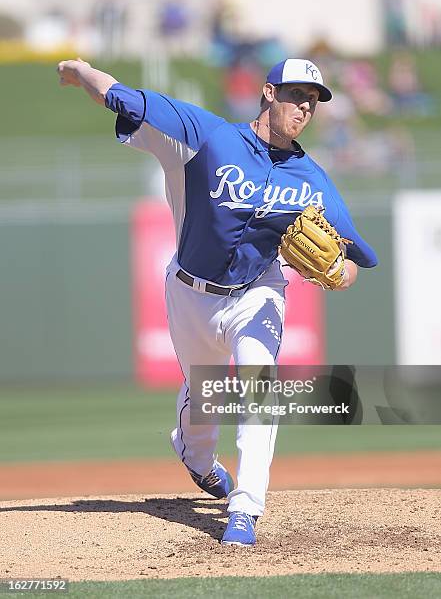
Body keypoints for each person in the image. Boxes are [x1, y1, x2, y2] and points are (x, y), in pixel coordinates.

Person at [57, 57, 377, 547]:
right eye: (295, 94)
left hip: (258, 292)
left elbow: (358, 259)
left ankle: (245, 508)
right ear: (268, 93)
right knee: (203, 396)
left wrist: (339, 272)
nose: (305, 106)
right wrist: (81, 71)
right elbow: (121, 97)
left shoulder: (311, 178)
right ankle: (197, 459)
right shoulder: (207, 137)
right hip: (190, 291)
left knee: (259, 387)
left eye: (313, 101)